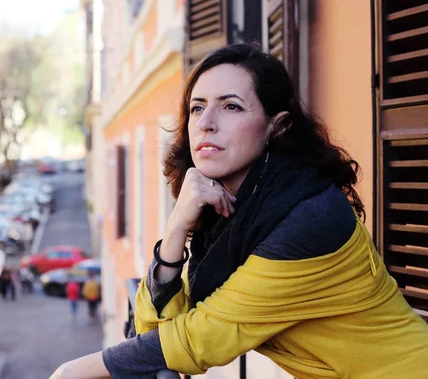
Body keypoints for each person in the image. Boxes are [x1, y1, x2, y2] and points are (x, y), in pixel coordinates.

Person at [50, 44, 428, 379]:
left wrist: (73, 371)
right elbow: (152, 331)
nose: (205, 123)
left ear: (276, 128)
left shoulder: (310, 217)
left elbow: (201, 338)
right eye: (197, 107)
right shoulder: (233, 210)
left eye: (231, 106)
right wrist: (177, 228)